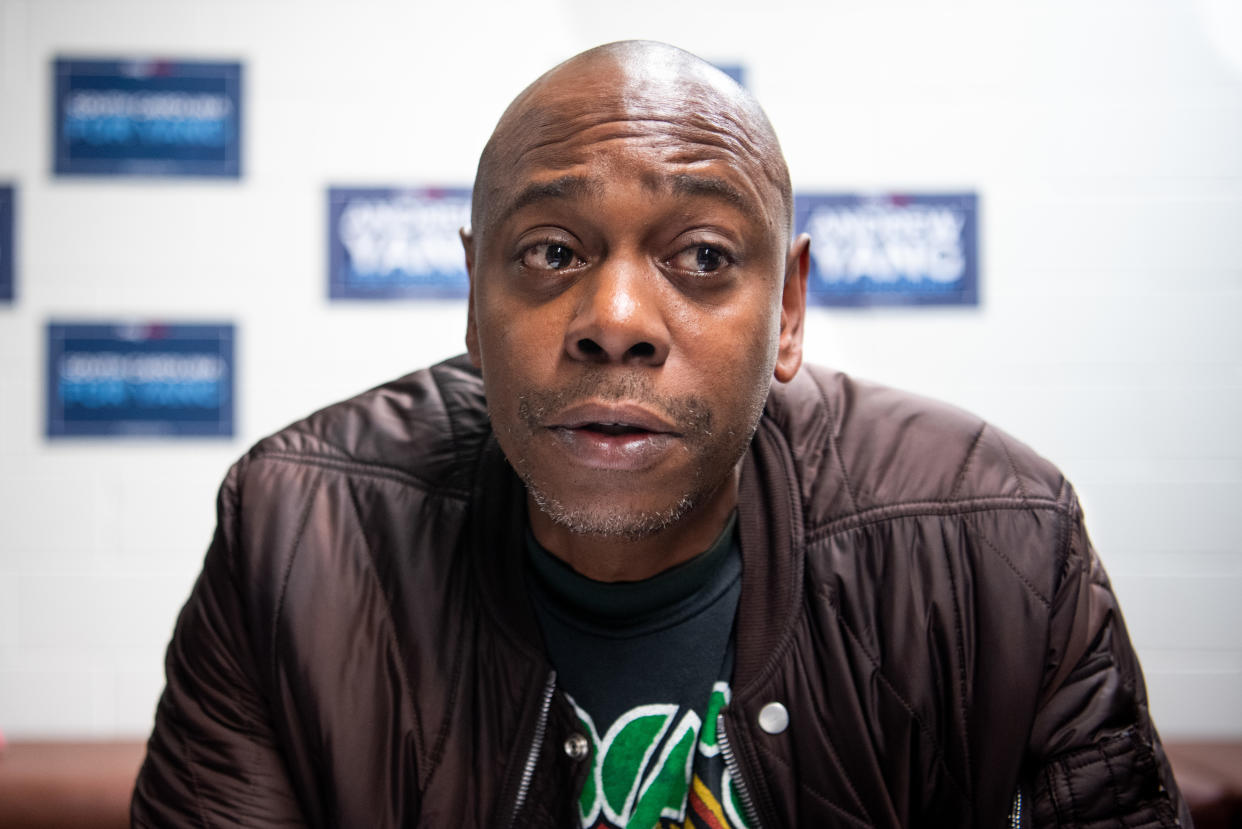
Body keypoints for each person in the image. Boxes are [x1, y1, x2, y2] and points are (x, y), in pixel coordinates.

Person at [132, 40, 1190, 828]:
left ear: (786, 313)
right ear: (470, 296)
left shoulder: (998, 549)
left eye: (703, 257)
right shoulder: (295, 540)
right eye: (551, 252)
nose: (618, 321)